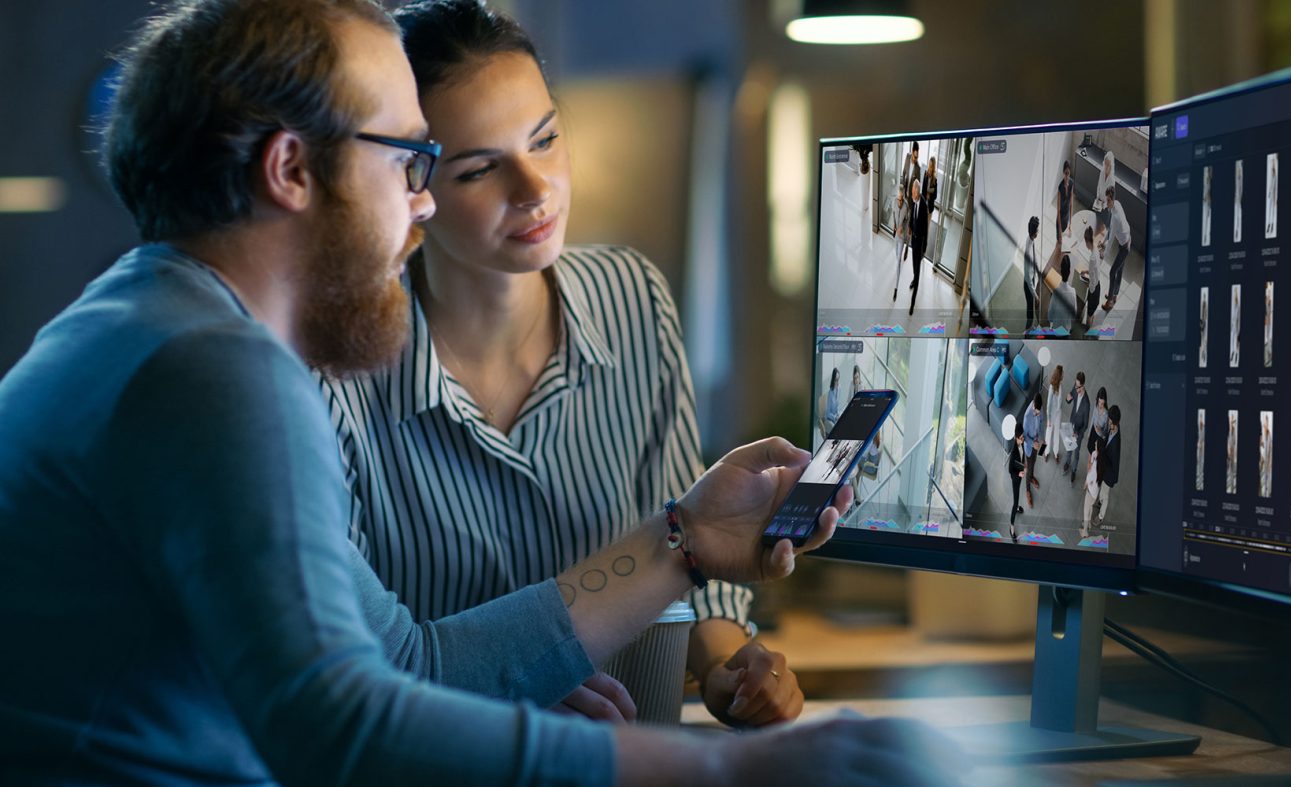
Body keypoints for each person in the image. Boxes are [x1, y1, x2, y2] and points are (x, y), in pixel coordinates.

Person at [0, 2, 964, 783]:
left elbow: (407, 665)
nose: (420, 202)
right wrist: (733, 776)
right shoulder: (215, 371)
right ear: (292, 168)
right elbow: (346, 733)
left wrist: (684, 539)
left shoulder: (145, 324)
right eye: (413, 160)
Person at [322, 0, 783, 725]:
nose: (535, 189)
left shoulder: (634, 298)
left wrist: (729, 668)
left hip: (633, 760)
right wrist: (498, 686)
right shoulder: (340, 367)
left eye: (545, 140)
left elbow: (687, 555)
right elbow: (342, 663)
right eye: (480, 170)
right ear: (413, 185)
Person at [893, 141, 921, 298]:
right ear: (912, 152)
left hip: (911, 202)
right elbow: (903, 174)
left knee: (908, 226)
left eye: (917, 158)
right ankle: (901, 242)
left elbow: (917, 187)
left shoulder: (918, 168)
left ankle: (905, 248)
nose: (915, 160)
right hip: (904, 198)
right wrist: (901, 190)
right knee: (901, 222)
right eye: (914, 156)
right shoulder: (906, 157)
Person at [1101, 186, 1132, 312]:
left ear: (1113, 200)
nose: (1107, 203)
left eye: (1108, 200)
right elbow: (1110, 232)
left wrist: (1104, 254)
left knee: (1112, 272)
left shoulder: (1115, 218)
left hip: (1125, 246)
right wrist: (1103, 241)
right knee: (1119, 270)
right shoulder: (1116, 204)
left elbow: (1112, 238)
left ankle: (1110, 302)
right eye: (1106, 200)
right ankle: (1114, 294)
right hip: (1125, 240)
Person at [1095, 406, 1122, 527]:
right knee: (1101, 492)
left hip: (1109, 474)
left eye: (1110, 421)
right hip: (1104, 467)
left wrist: (1100, 452)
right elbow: (1107, 435)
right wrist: (1101, 433)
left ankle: (1100, 517)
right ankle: (1100, 502)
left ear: (1115, 423)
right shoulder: (1113, 428)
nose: (1108, 422)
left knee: (1104, 496)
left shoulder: (1116, 445)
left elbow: (1114, 465)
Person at [908, 179, 930, 316]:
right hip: (913, 240)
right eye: (911, 191)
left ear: (918, 191)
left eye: (913, 192)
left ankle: (912, 302)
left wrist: (924, 248)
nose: (911, 194)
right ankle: (914, 278)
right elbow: (911, 215)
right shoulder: (913, 200)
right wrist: (910, 226)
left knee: (917, 270)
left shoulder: (924, 207)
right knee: (913, 265)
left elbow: (926, 230)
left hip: (920, 242)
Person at [1065, 371, 1090, 483]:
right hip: (1071, 424)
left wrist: (1078, 434)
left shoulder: (1087, 404)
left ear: (1083, 385)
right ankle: (1067, 462)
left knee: (1076, 452)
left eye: (1078, 387)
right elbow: (1069, 400)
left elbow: (1085, 425)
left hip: (1078, 432)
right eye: (1075, 385)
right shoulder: (1075, 388)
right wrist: (1068, 398)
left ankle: (1074, 470)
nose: (1076, 388)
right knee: (1069, 446)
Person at [1022, 393, 1044, 507]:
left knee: (1033, 463)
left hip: (1037, 443)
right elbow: (1024, 437)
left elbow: (1042, 422)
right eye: (1036, 412)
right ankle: (1027, 490)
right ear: (1033, 406)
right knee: (1029, 467)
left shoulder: (1040, 407)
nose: (1037, 414)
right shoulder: (1027, 416)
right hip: (1030, 446)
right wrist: (1033, 444)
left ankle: (1031, 477)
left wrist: (1042, 439)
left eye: (1038, 412)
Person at [1048, 254, 1077, 332]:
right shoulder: (1073, 292)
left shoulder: (1055, 293)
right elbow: (1073, 316)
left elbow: (1050, 316)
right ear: (1069, 272)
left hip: (1056, 330)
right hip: (1066, 330)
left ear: (1060, 271)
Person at [1044, 365, 1066, 468]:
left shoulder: (1060, 386)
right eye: (1063, 373)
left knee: (1056, 434)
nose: (1064, 375)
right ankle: (1046, 452)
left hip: (1058, 415)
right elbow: (1048, 405)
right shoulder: (1052, 388)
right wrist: (1048, 419)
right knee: (1048, 434)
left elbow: (1060, 402)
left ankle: (1056, 453)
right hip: (1051, 415)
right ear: (1059, 375)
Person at [1082, 225, 1103, 329]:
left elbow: (1092, 282)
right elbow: (1094, 270)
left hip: (1094, 289)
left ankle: (1087, 330)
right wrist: (1086, 271)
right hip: (1098, 285)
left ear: (1087, 241)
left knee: (1089, 315)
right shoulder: (1096, 250)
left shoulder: (1092, 259)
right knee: (1092, 311)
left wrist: (1089, 288)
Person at [1009, 423, 1026, 542]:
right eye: (1021, 438)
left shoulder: (1022, 443)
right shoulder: (1013, 452)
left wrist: (1023, 467)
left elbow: (1022, 457)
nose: (1023, 439)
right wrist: (1018, 474)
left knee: (1018, 495)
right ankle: (1011, 527)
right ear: (1016, 438)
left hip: (1020, 475)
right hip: (1016, 479)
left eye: (1023, 437)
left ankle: (1018, 507)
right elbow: (1010, 470)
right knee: (1015, 502)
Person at [1023, 215, 1041, 332]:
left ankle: (1031, 325)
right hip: (1028, 284)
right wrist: (1036, 296)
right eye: (1038, 229)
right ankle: (1028, 330)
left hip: (1032, 277)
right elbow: (1029, 282)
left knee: (1032, 307)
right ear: (1034, 233)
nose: (1039, 231)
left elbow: (1035, 259)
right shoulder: (1028, 253)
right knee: (1030, 310)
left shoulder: (1030, 239)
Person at [1056, 159, 1073, 236]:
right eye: (1065, 173)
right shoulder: (1060, 188)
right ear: (1063, 172)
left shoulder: (1071, 184)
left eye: (1068, 173)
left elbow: (1071, 205)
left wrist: (1070, 223)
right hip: (1060, 220)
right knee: (1059, 242)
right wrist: (1059, 227)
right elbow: (1058, 210)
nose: (1067, 176)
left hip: (1067, 219)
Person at [824, 367, 842, 433]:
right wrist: (835, 418)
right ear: (833, 380)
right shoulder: (830, 393)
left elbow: (837, 406)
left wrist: (838, 415)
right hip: (829, 419)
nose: (838, 382)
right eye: (836, 380)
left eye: (838, 379)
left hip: (835, 417)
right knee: (835, 430)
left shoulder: (839, 388)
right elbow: (828, 413)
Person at [1201, 166, 1212, 247]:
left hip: (1206, 205)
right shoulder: (1205, 176)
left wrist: (1208, 197)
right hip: (1204, 204)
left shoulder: (1209, 180)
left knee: (1206, 222)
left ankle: (1205, 238)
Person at [1233, 159, 1244, 244]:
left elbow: (1241, 189)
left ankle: (1237, 231)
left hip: (1239, 199)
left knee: (1238, 215)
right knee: (1236, 215)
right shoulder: (1237, 178)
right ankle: (1236, 231)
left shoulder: (1240, 178)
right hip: (1236, 199)